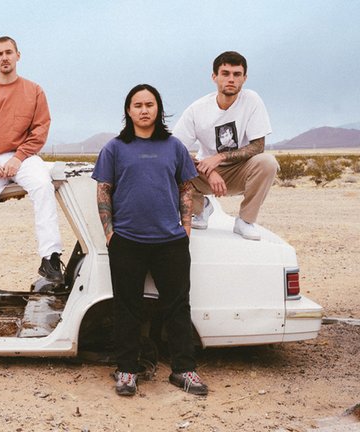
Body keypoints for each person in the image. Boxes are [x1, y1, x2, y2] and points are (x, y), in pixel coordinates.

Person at [93, 84, 208, 397]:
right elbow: (104, 189)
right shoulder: (115, 148)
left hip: (169, 241)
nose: (144, 110)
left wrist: (185, 226)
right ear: (128, 111)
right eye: (137, 105)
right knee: (126, 307)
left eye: (150, 104)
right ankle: (127, 370)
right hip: (126, 241)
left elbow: (186, 187)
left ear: (158, 109)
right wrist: (109, 233)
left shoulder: (174, 147)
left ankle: (184, 370)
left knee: (177, 306)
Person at [0, 35, 63, 296]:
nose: (4, 57)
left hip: (24, 157)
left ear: (18, 55)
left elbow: (40, 128)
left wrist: (19, 157)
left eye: (9, 52)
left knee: (42, 186)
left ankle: (50, 259)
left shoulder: (34, 90)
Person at [173, 51, 278, 241]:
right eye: (225, 73)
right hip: (205, 173)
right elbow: (173, 149)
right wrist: (209, 171)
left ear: (244, 78)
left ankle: (245, 221)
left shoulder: (252, 100)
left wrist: (220, 157)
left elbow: (258, 147)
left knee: (267, 162)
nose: (231, 79)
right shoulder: (197, 109)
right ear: (214, 77)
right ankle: (201, 208)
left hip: (241, 169)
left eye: (237, 74)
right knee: (170, 165)